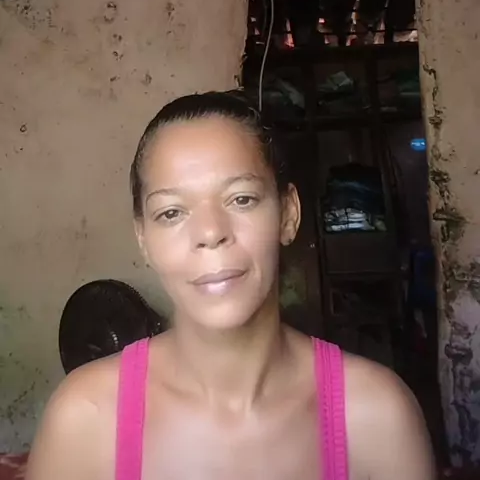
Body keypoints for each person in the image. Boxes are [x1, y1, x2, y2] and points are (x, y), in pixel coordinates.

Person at [26, 91, 437, 480]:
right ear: (143, 240)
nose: (210, 232)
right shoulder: (86, 417)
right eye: (171, 212)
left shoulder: (376, 416)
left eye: (241, 199)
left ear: (288, 214)